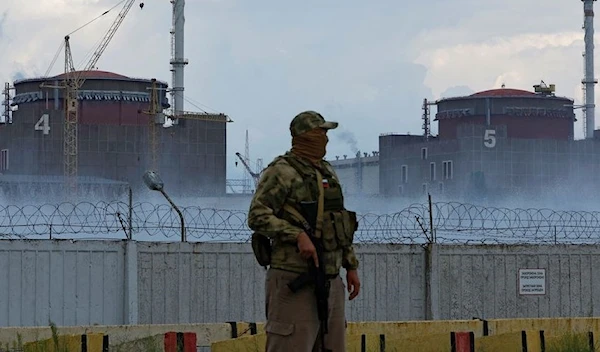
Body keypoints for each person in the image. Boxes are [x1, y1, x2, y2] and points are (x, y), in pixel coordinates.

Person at [247, 110, 361, 351]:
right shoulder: (281, 171)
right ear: (305, 136)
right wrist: (296, 234)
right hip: (293, 278)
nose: (325, 138)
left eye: (326, 133)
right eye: (320, 132)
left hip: (330, 279)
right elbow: (257, 216)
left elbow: (339, 221)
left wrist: (350, 266)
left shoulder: (327, 171)